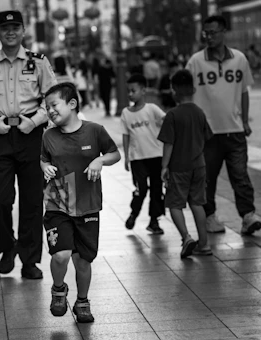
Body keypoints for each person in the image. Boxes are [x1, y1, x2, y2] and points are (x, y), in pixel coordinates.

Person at [0, 10, 57, 279]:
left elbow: (51, 98)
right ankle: (7, 246)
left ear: (23, 30)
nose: (10, 32)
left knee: (32, 200)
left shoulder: (38, 62)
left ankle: (30, 260)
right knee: (0, 200)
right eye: (5, 27)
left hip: (32, 135)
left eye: (15, 27)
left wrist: (36, 120)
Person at [41, 82, 120, 323]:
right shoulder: (48, 135)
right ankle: (58, 290)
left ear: (72, 104)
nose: (50, 111)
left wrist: (99, 161)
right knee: (61, 255)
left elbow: (115, 153)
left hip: (87, 205)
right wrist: (45, 167)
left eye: (54, 105)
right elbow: (43, 159)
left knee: (83, 261)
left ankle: (82, 301)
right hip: (58, 204)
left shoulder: (95, 130)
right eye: (47, 108)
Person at [186, 15, 261, 235]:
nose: (208, 37)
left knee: (240, 176)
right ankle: (210, 217)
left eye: (213, 32)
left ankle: (248, 216)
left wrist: (245, 120)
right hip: (207, 133)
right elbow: (186, 94)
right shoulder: (196, 61)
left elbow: (244, 91)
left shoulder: (239, 59)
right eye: (206, 33)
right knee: (207, 178)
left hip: (235, 130)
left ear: (223, 32)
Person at [158, 70, 214, 258]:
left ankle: (186, 238)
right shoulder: (199, 112)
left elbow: (169, 143)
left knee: (175, 204)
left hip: (179, 167)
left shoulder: (172, 115)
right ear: (193, 89)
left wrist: (164, 166)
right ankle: (204, 245)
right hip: (199, 166)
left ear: (173, 91)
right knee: (197, 203)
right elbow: (207, 138)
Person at [121, 74, 166, 234]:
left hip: (156, 156)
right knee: (141, 189)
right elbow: (125, 135)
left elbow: (167, 121)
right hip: (137, 159)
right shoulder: (126, 113)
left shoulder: (152, 109)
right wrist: (126, 156)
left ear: (143, 90)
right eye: (128, 91)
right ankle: (134, 213)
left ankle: (154, 221)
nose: (130, 94)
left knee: (156, 189)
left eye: (133, 90)